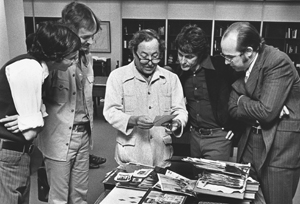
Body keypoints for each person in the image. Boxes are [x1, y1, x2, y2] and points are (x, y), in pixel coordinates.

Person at [0, 21, 81, 204]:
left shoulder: (38, 69)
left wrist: (37, 115)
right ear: (55, 55)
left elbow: (35, 121)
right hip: (10, 151)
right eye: (71, 57)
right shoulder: (29, 69)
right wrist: (37, 117)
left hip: (18, 152)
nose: (74, 62)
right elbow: (30, 132)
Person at [221, 22, 300, 204]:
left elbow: (266, 112)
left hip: (278, 149)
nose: (226, 62)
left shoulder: (277, 61)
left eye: (230, 57)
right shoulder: (239, 65)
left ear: (248, 51)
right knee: (247, 199)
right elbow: (232, 107)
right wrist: (247, 102)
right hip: (250, 142)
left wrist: (243, 100)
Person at [36, 2, 101, 203]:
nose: (91, 42)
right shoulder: (52, 60)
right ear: (69, 31)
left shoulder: (86, 57)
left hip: (83, 135)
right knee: (59, 198)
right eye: (85, 37)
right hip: (58, 137)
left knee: (79, 196)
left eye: (93, 36)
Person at [103, 29, 188, 168]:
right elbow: (110, 111)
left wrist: (177, 122)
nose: (150, 62)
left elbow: (180, 110)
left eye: (155, 56)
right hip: (130, 155)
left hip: (161, 153)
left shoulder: (171, 79)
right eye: (144, 56)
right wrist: (133, 120)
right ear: (133, 53)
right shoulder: (117, 76)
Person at [174, 24, 241, 166]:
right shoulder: (180, 73)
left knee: (213, 183)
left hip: (219, 137)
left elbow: (244, 90)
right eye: (180, 54)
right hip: (193, 137)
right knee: (195, 181)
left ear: (200, 55)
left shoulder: (222, 67)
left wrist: (237, 127)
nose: (182, 61)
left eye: (189, 57)